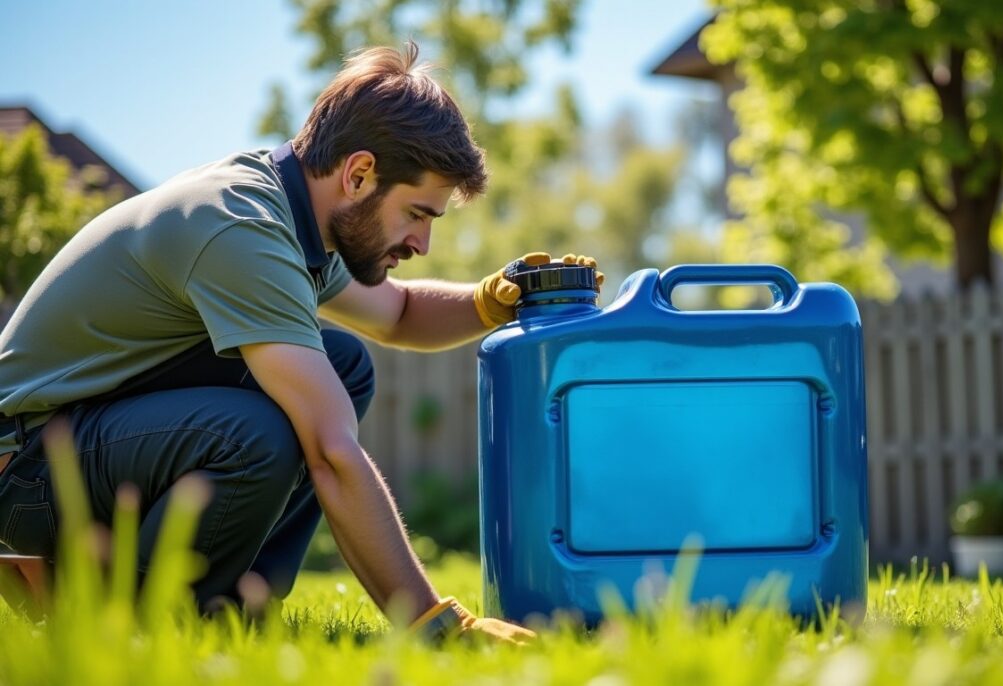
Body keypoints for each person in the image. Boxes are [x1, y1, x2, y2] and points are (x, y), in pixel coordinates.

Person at [0, 43, 599, 643]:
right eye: (418, 214)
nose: (422, 244)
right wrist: (437, 625)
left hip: (79, 436)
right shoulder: (240, 228)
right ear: (359, 173)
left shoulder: (289, 214)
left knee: (344, 364)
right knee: (258, 433)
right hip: (24, 466)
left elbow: (398, 313)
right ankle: (147, 615)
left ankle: (231, 606)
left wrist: (495, 300)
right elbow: (331, 450)